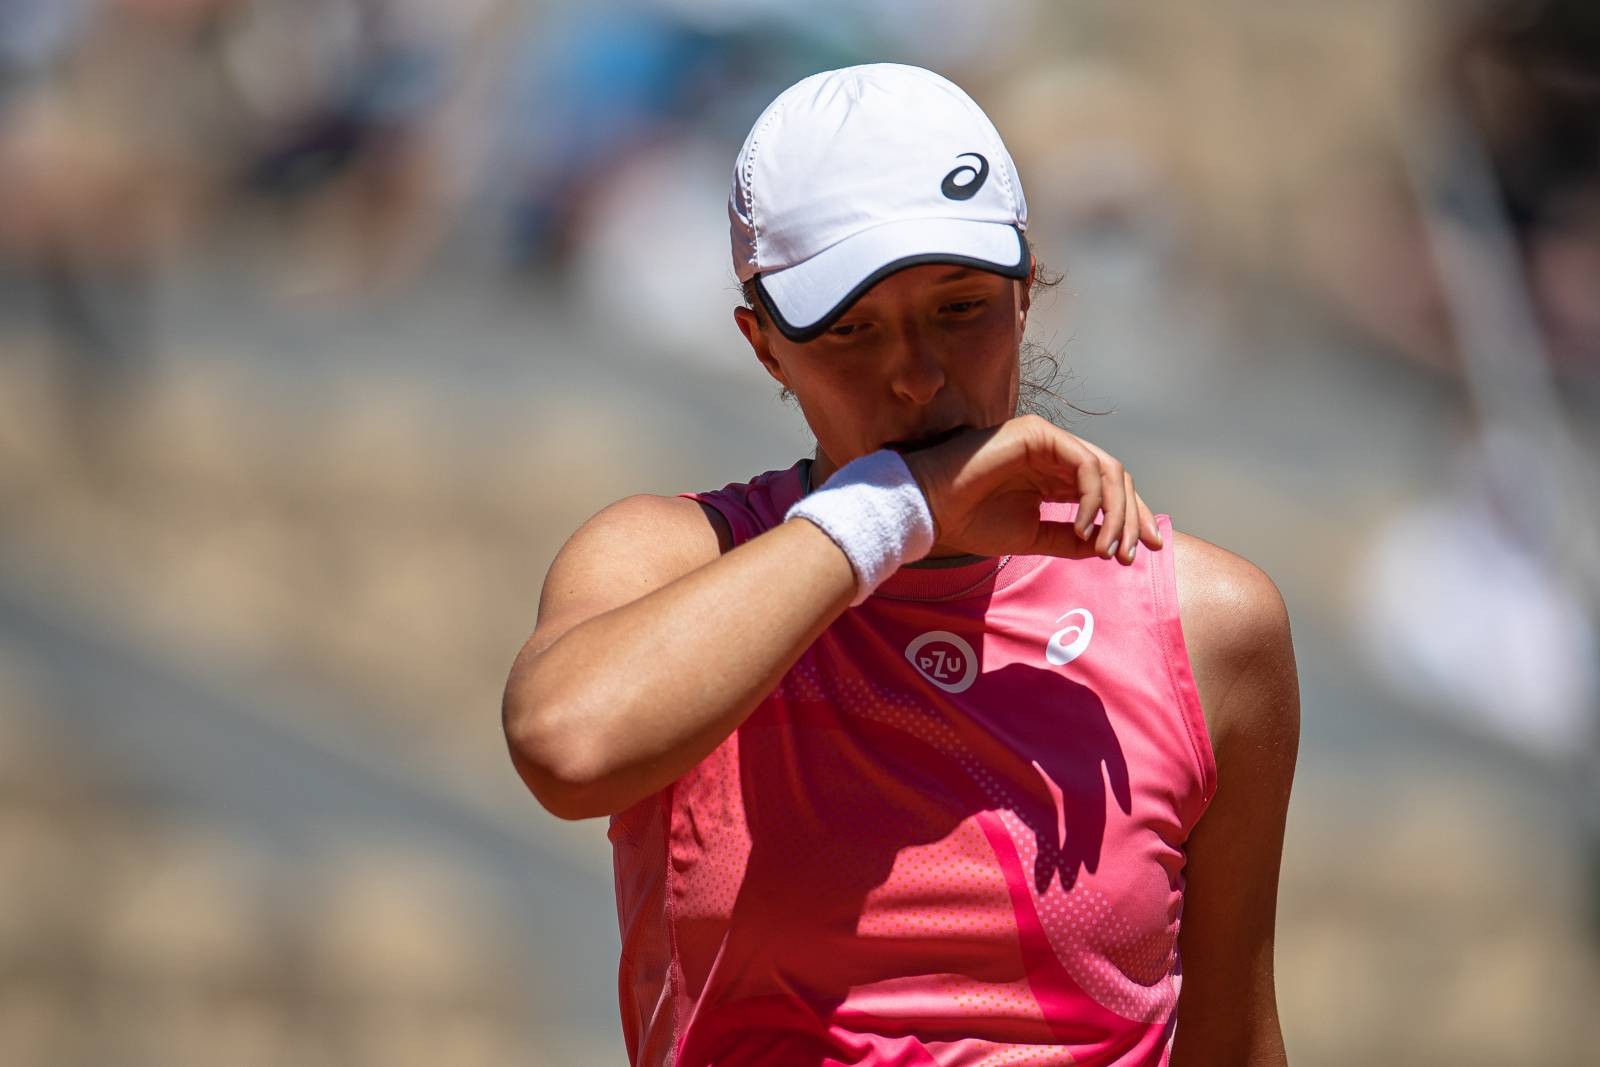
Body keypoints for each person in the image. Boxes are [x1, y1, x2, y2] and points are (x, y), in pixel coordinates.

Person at [503, 63, 1298, 1066]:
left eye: (960, 309)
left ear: (1026, 292)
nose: (917, 375)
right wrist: (896, 510)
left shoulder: (1208, 622)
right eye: (851, 329)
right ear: (763, 345)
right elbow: (568, 749)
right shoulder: (672, 558)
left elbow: (1233, 1040)